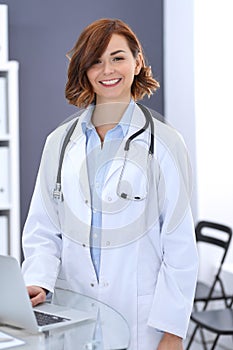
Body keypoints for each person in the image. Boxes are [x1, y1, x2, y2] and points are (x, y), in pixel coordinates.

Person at [22, 18, 198, 350]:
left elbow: (179, 248)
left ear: (137, 62)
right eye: (96, 60)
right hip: (73, 320)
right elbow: (43, 230)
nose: (107, 69)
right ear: (84, 70)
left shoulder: (165, 143)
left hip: (141, 324)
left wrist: (172, 334)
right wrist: (38, 281)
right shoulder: (59, 143)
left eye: (117, 57)